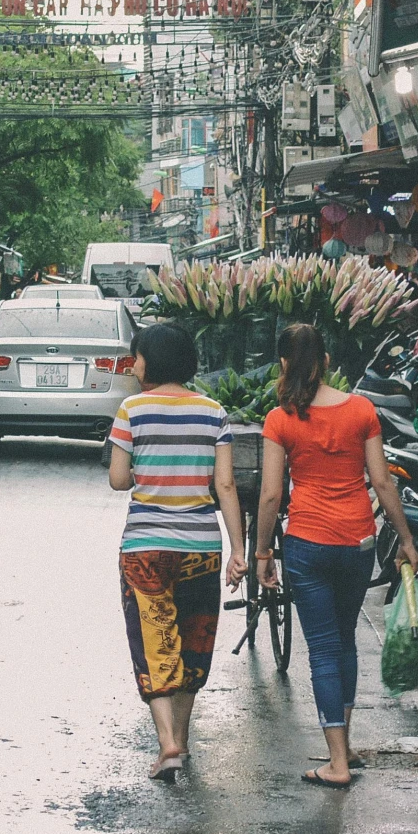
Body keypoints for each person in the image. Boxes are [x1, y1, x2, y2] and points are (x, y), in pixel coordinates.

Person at [256, 322, 418, 790]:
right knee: (344, 641)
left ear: (283, 364)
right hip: (357, 544)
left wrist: (265, 551)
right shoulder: (362, 409)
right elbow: (383, 482)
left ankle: (338, 763)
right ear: (326, 361)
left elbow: (270, 495)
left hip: (307, 543)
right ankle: (341, 748)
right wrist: (405, 538)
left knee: (323, 649)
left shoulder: (280, 419)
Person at [107, 323, 246, 782]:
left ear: (153, 360)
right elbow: (225, 485)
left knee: (155, 645)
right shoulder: (213, 412)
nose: (135, 364)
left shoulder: (132, 410)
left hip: (145, 548)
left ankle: (168, 744)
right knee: (193, 642)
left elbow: (118, 480)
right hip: (201, 547)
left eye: (138, 356)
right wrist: (237, 551)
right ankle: (180, 743)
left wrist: (150, 471)